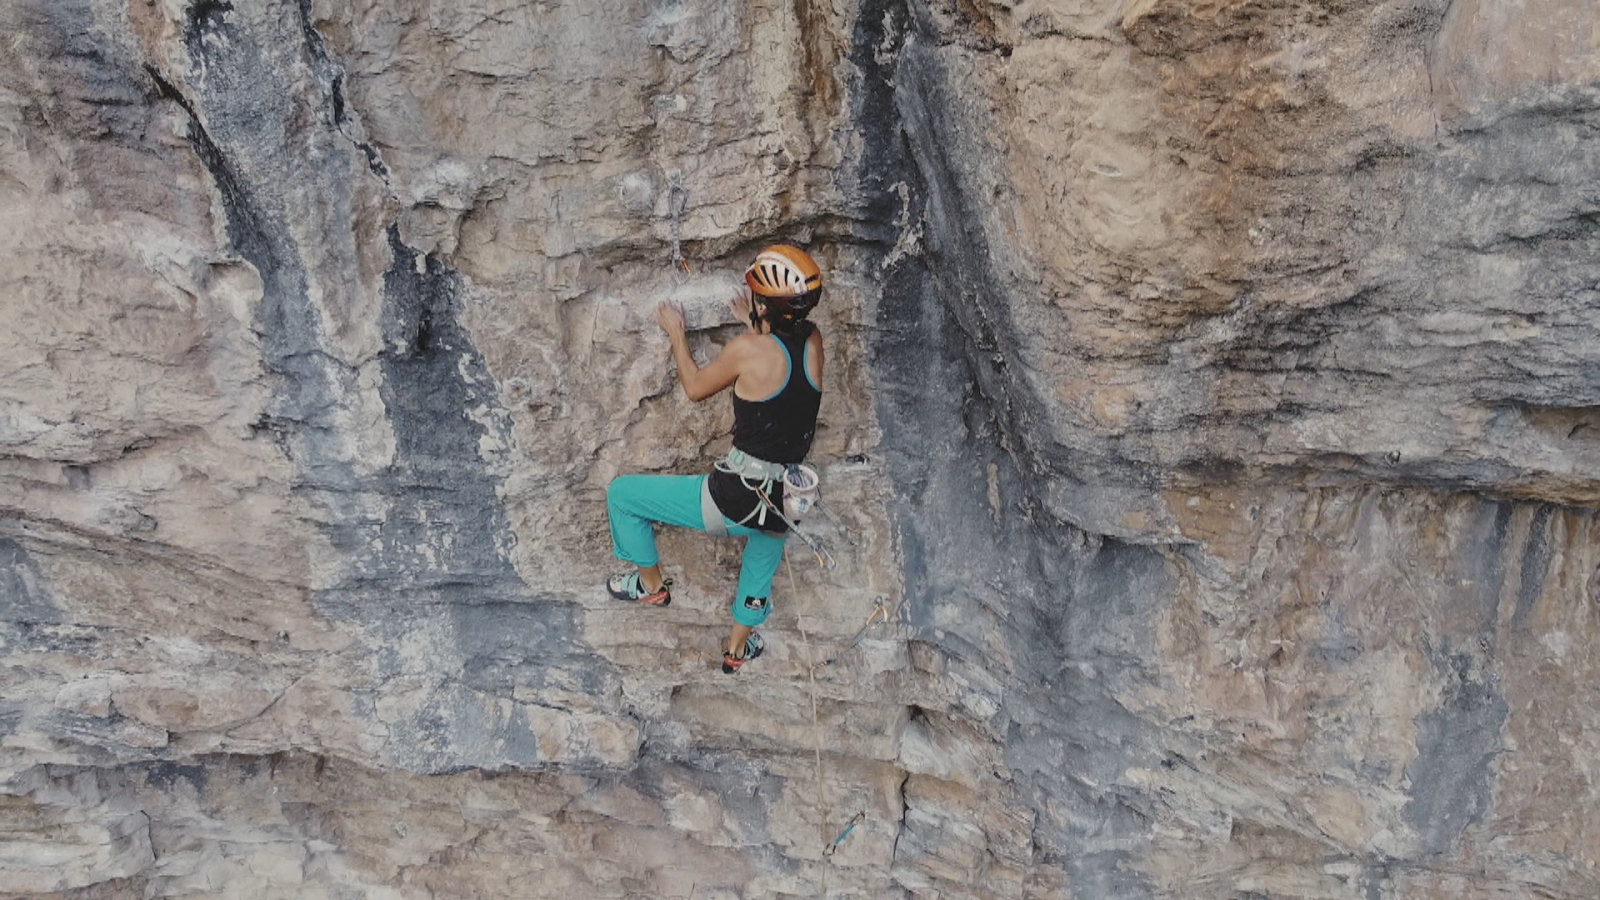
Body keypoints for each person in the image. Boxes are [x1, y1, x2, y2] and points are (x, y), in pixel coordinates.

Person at [605, 245, 825, 674]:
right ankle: (737, 650)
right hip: (789, 499)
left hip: (734, 498)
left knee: (622, 495)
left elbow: (695, 386)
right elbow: (782, 363)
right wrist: (754, 321)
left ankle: (651, 586)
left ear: (764, 304)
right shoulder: (814, 339)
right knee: (760, 566)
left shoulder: (748, 349)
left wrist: (675, 333)